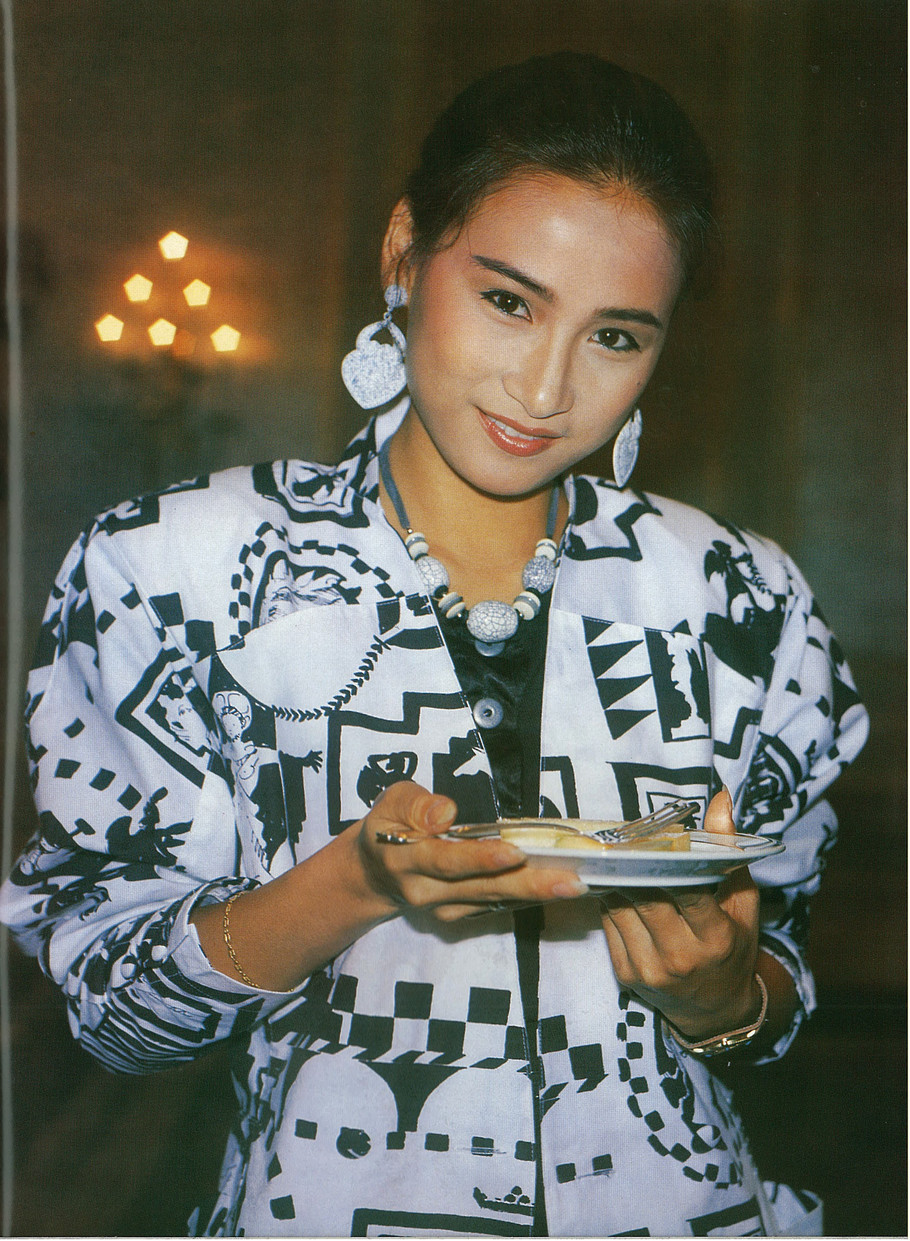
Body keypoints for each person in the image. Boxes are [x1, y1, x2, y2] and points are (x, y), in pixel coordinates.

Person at [1, 52, 868, 1237]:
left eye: (616, 336)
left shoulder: (740, 600)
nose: (546, 387)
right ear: (404, 252)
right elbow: (117, 1017)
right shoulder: (172, 570)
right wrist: (348, 885)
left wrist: (724, 996)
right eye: (509, 301)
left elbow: (779, 995)